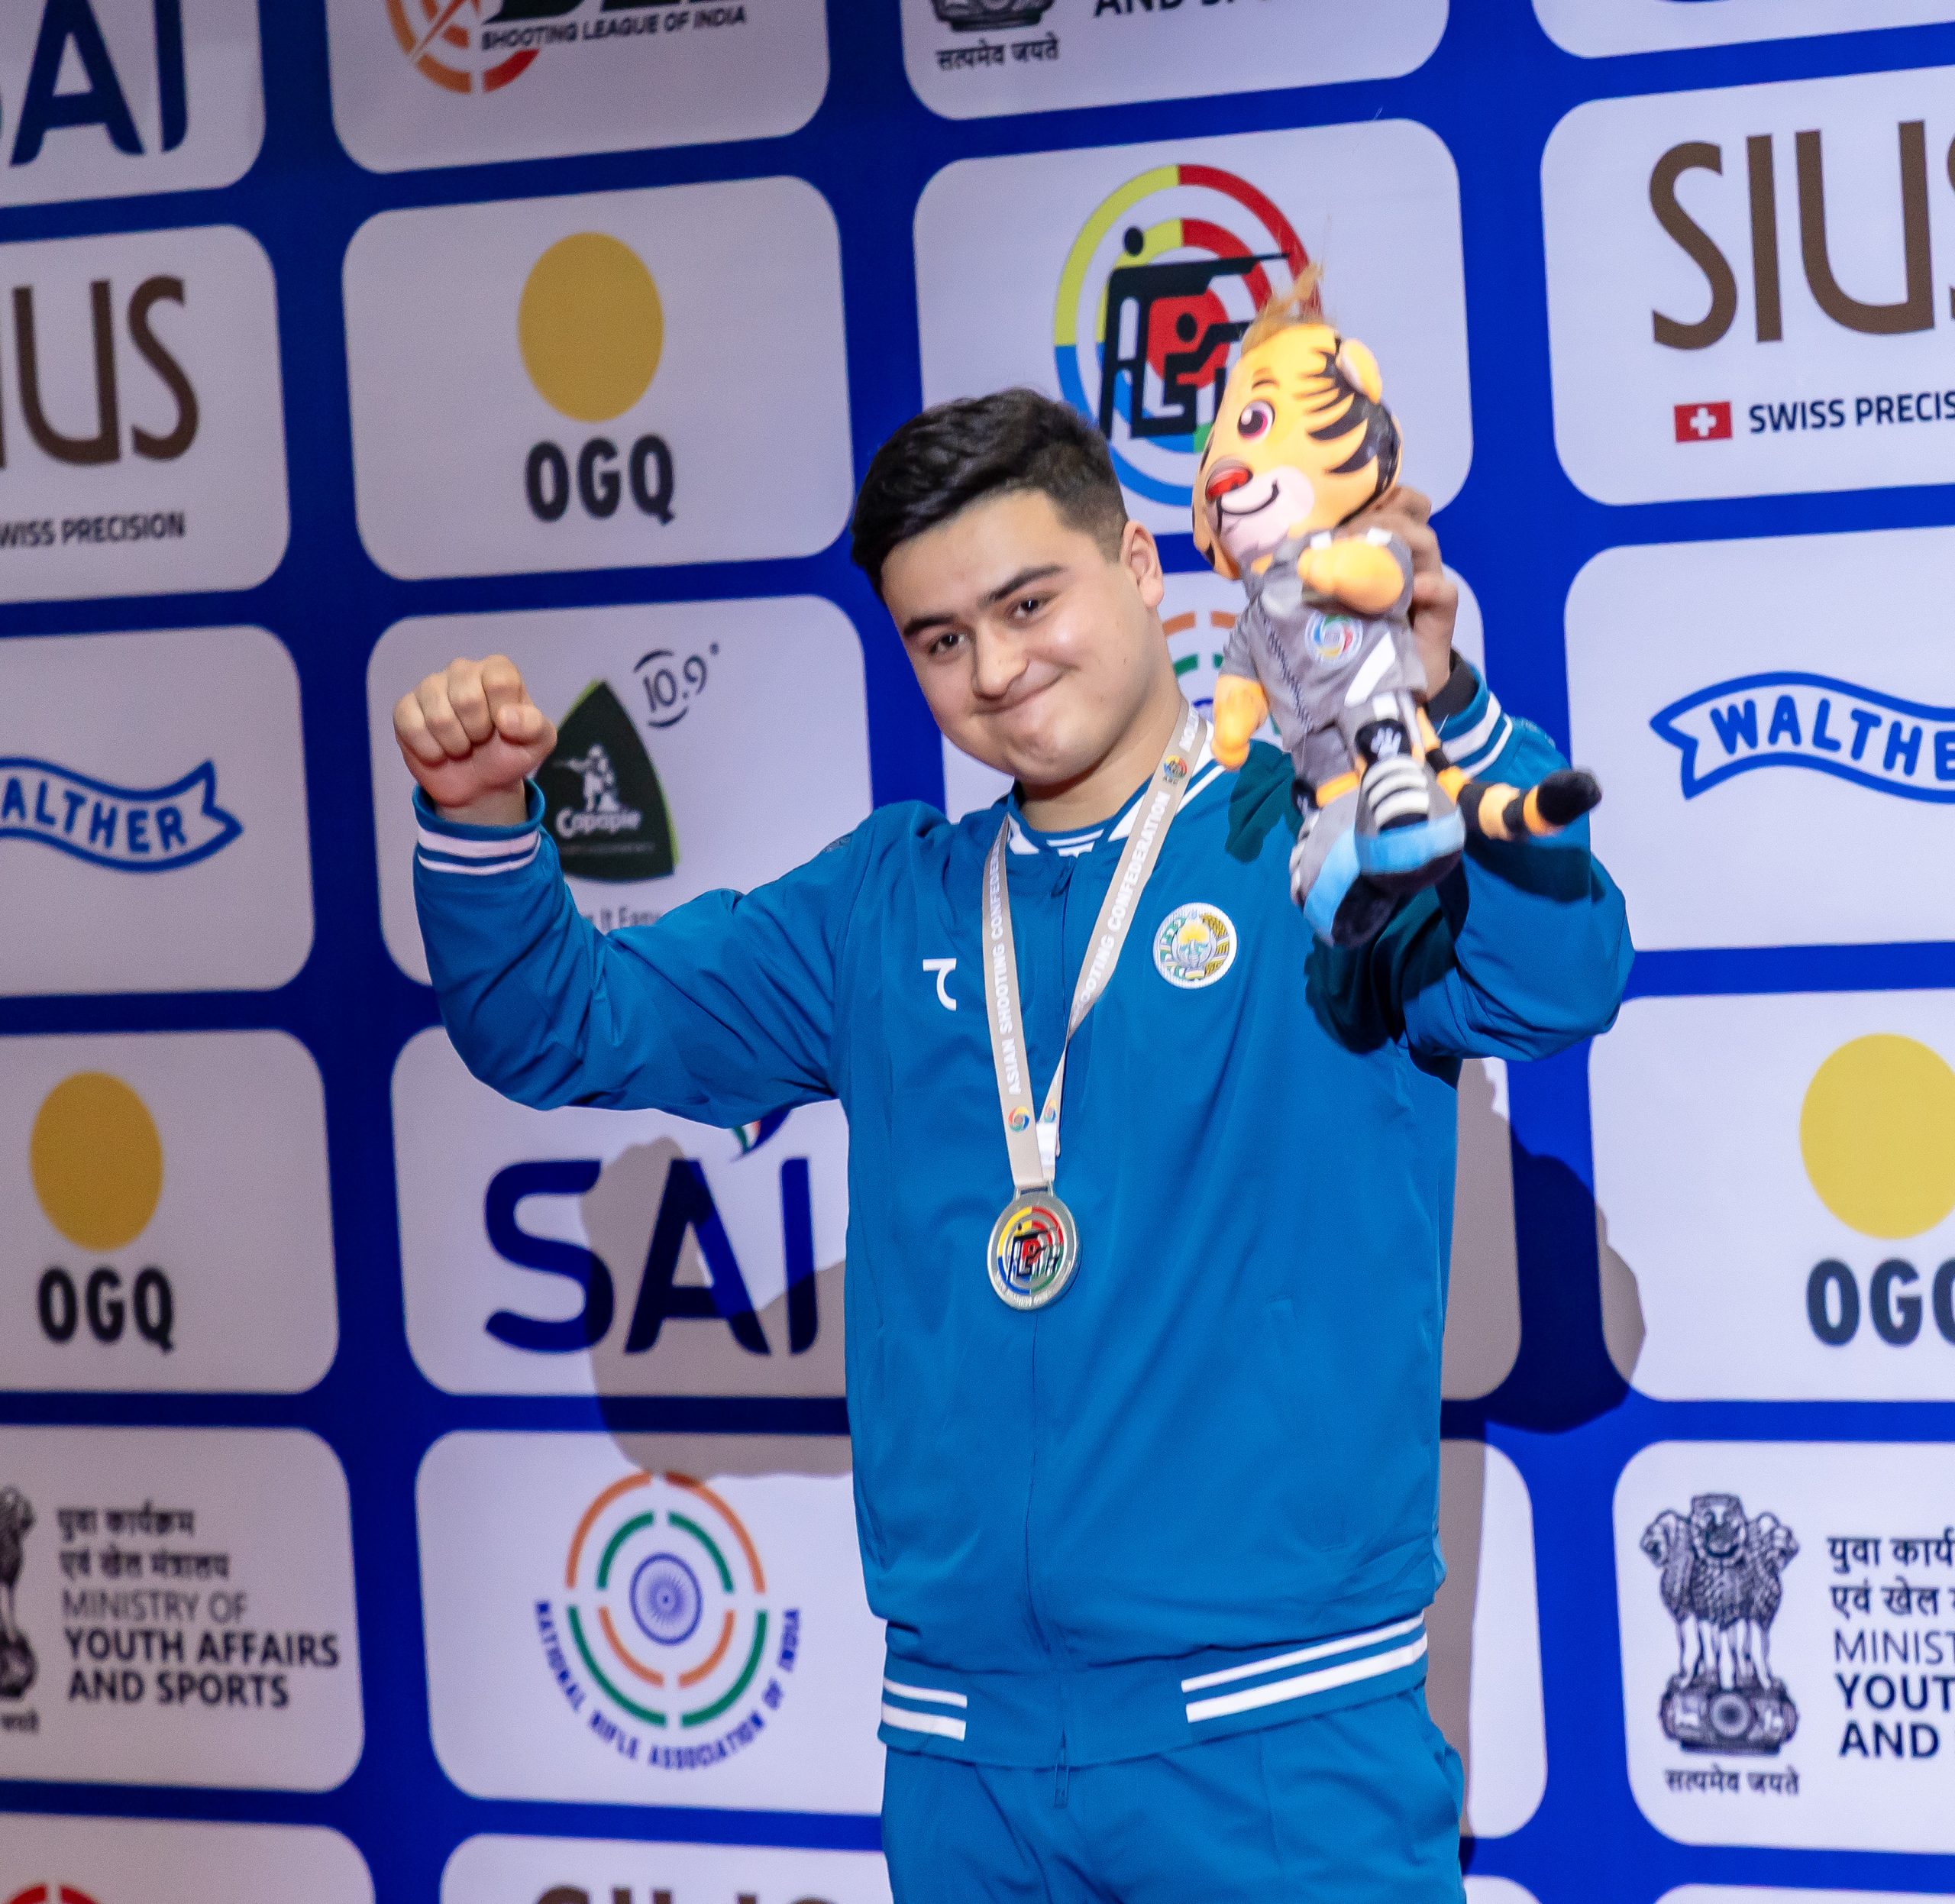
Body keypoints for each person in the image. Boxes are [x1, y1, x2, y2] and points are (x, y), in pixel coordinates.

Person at [396, 388, 1631, 1902]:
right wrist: (480, 820)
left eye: (1027, 603)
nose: (991, 668)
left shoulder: (1311, 840)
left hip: (1277, 1743)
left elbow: (1553, 982)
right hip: (962, 1760)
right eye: (938, 639)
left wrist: (1449, 715)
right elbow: (561, 1023)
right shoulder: (881, 905)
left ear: (1139, 565)